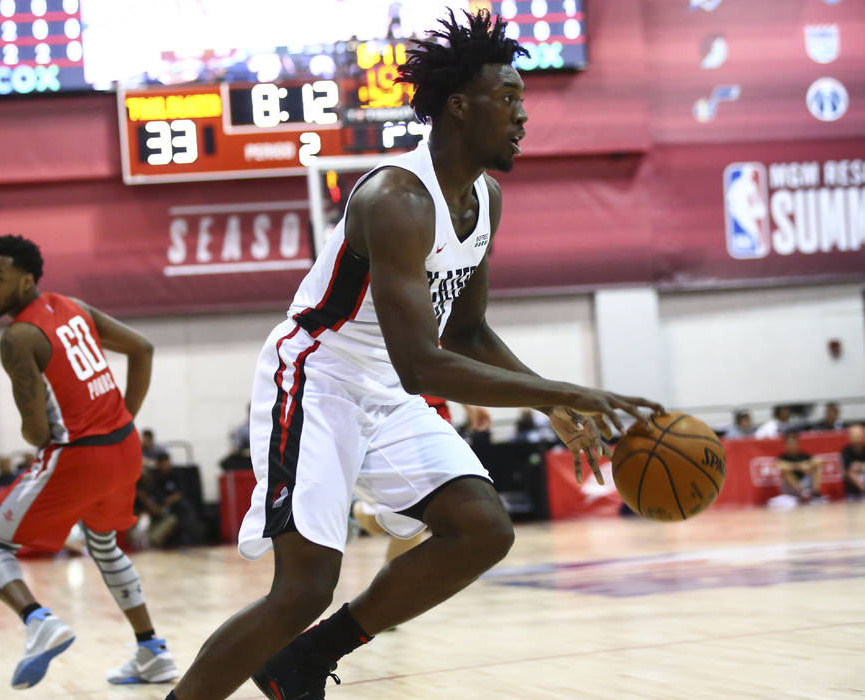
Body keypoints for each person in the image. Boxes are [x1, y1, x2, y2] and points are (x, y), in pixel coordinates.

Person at [165, 10, 663, 700]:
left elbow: (468, 333)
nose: (523, 116)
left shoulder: (484, 197)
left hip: (386, 385)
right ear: (461, 107)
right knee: (303, 588)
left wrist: (548, 396)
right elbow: (423, 366)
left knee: (481, 529)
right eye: (510, 99)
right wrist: (572, 394)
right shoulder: (396, 198)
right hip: (317, 376)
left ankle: (303, 663)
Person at [0, 234, 178, 690]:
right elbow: (142, 348)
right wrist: (122, 419)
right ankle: (152, 652)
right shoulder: (73, 306)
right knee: (103, 544)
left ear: (26, 280)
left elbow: (36, 432)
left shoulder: (18, 338)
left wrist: (54, 431)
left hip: (79, 453)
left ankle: (38, 621)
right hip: (124, 446)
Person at [136, 452, 205, 547]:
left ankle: (191, 539)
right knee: (144, 520)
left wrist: (164, 504)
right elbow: (151, 505)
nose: (166, 466)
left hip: (164, 512)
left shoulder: (174, 475)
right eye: (142, 469)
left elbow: (180, 493)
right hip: (146, 515)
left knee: (179, 513)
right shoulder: (144, 485)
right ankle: (145, 541)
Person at [775, 432, 823, 503]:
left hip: (804, 483)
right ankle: (802, 493)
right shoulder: (782, 457)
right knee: (786, 473)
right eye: (789, 444)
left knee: (816, 469)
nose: (792, 446)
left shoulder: (804, 455)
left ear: (797, 444)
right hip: (791, 487)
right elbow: (780, 466)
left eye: (793, 443)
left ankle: (815, 494)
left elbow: (819, 461)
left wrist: (808, 465)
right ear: (785, 445)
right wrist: (799, 466)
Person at [841, 424, 865, 500]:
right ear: (850, 436)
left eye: (858, 435)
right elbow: (846, 471)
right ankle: (862, 491)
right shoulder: (845, 451)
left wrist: (859, 466)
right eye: (854, 435)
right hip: (852, 485)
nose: (857, 437)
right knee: (851, 472)